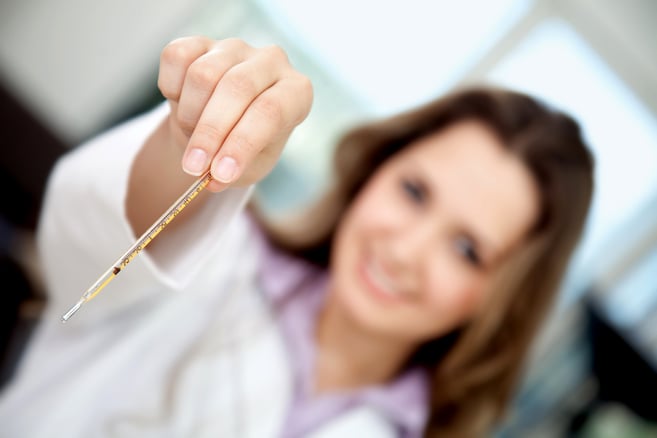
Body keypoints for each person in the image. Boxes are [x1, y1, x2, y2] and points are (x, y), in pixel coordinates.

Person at [0, 36, 594, 437]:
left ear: (503, 300)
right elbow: (88, 241)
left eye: (467, 250)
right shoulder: (213, 261)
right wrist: (194, 141)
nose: (406, 251)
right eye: (413, 192)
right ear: (372, 170)